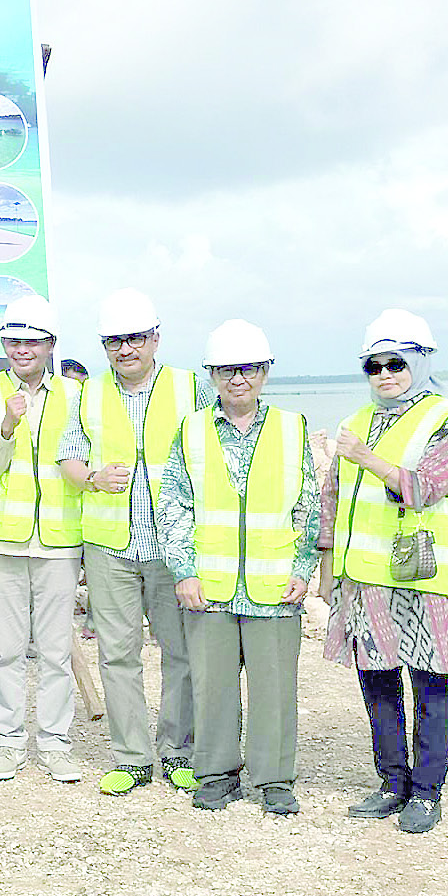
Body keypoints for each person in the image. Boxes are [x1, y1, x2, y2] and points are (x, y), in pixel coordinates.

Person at [316, 311, 448, 833]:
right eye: (374, 365)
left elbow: (428, 486)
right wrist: (327, 565)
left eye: (396, 363)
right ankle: (392, 783)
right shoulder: (357, 423)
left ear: (420, 363)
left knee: (432, 684)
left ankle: (427, 793)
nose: (385, 375)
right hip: (363, 578)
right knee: (377, 682)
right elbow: (334, 498)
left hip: (424, 579)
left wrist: (370, 459)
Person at [58, 289, 215, 795]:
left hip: (174, 548)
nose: (125, 349)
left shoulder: (192, 388)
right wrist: (91, 478)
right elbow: (68, 458)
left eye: (134, 339)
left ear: (155, 338)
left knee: (182, 652)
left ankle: (177, 752)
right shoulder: (88, 394)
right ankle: (131, 756)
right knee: (117, 653)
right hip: (111, 548)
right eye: (114, 342)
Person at [160, 320, 318, 814]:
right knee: (212, 685)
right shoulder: (190, 430)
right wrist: (183, 570)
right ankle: (215, 773)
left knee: (274, 686)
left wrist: (303, 567)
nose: (238, 379)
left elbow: (308, 505)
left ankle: (273, 778)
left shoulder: (293, 428)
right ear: (212, 375)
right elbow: (174, 505)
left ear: (265, 372)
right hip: (209, 584)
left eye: (248, 369)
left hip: (274, 582)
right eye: (227, 370)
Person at [0, 294, 86, 783]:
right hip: (4, 538)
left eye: (32, 341)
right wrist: (8, 424)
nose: (22, 349)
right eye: (13, 341)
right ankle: (8, 743)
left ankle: (56, 744)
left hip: (59, 539)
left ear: (51, 344)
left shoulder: (76, 394)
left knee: (56, 652)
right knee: (8, 651)